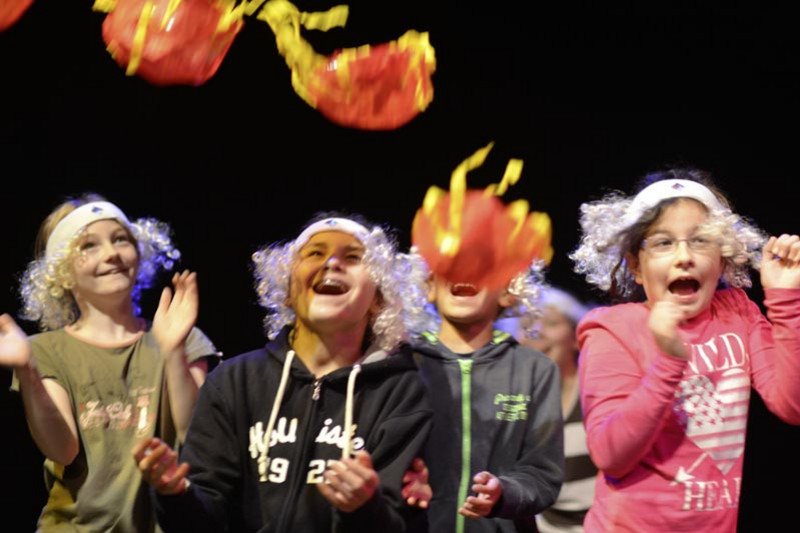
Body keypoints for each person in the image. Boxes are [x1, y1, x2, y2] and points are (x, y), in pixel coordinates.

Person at [135, 214, 433, 533]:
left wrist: (362, 508)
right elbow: (203, 519)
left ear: (378, 297)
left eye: (353, 257)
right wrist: (175, 494)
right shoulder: (234, 382)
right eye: (315, 253)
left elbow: (402, 523)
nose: (332, 262)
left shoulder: (402, 390)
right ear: (287, 290)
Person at [569, 168, 800, 532]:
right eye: (663, 243)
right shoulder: (611, 329)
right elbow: (610, 455)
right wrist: (669, 361)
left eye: (700, 241)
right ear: (636, 267)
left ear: (722, 259)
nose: (684, 257)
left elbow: (792, 406)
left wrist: (785, 299)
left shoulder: (738, 312)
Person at [0, 193, 218, 532]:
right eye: (89, 246)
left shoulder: (180, 335)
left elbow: (198, 434)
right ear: (62, 273)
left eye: (121, 240)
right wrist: (27, 373)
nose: (112, 253)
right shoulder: (46, 350)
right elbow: (63, 449)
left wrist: (173, 350)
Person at [411, 261, 564, 532]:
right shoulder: (404, 364)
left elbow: (543, 473)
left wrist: (505, 492)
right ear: (430, 286)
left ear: (508, 290)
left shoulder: (535, 369)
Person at [519, 287, 596, 533]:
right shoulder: (514, 404)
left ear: (575, 338)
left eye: (551, 323)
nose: (537, 332)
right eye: (527, 324)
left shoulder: (595, 392)